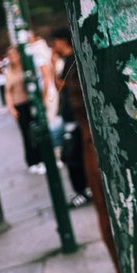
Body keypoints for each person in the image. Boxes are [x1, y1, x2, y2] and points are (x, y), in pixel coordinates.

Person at [49, 29, 121, 273]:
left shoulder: (73, 65)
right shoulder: (85, 60)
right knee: (105, 206)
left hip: (90, 140)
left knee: (104, 207)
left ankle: (119, 269)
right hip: (97, 137)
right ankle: (120, 268)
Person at [49, 29, 89, 207]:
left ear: (62, 41)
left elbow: (65, 87)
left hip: (74, 115)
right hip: (70, 114)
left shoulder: (72, 60)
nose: (53, 46)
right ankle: (83, 189)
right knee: (72, 154)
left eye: (55, 42)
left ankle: (82, 191)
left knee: (73, 155)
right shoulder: (67, 61)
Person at [5, 45, 45, 173]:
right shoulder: (9, 72)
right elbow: (8, 92)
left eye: (15, 55)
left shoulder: (26, 67)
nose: (13, 58)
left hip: (30, 103)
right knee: (26, 134)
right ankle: (32, 161)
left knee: (36, 130)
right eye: (10, 56)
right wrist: (11, 108)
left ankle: (41, 158)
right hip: (19, 105)